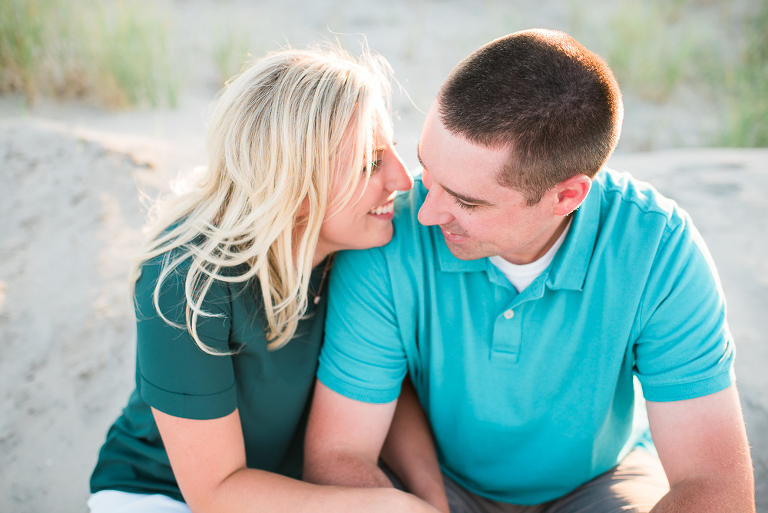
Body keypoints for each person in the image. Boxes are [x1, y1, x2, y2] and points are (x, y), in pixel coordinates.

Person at [303, 29, 756, 512]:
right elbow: (337, 457)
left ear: (567, 196)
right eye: (428, 172)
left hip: (603, 483)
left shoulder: (657, 248)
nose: (425, 213)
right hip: (438, 481)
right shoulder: (387, 236)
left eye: (467, 200)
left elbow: (714, 484)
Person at [88, 45, 445, 513]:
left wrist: (433, 503)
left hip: (294, 486)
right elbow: (216, 492)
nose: (402, 180)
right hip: (165, 491)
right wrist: (397, 507)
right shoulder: (184, 281)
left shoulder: (365, 242)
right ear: (295, 187)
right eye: (367, 163)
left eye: (393, 148)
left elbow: (379, 387)